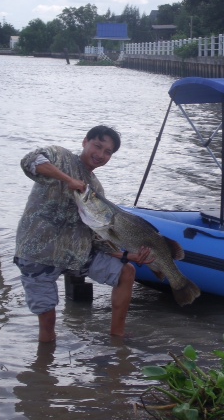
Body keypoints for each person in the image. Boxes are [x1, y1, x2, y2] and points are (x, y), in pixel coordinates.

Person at [14, 125, 151, 342]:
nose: (101, 155)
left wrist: (127, 256)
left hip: (76, 255)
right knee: (48, 323)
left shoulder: (95, 187)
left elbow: (97, 235)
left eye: (108, 152)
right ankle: (43, 369)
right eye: (98, 146)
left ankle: (117, 335)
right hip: (37, 252)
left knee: (127, 272)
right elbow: (31, 161)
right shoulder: (60, 157)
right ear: (85, 142)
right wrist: (68, 180)